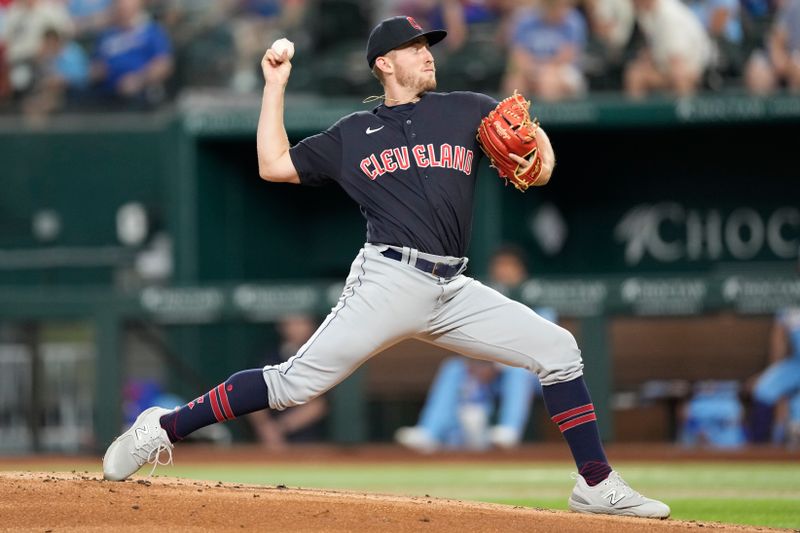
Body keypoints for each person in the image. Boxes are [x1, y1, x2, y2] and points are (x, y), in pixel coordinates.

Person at [102, 15, 670, 519]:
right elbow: (273, 164)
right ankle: (163, 427)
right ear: (385, 63)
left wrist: (541, 149)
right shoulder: (353, 133)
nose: (428, 54)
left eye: (429, 45)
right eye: (416, 47)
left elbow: (531, 151)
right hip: (389, 279)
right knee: (292, 384)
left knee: (560, 350)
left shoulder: (465, 108)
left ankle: (595, 483)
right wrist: (274, 86)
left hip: (454, 286)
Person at [395, 245, 550, 452]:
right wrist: (477, 363)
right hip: (487, 373)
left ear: (521, 272)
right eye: (499, 266)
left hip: (532, 375)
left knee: (517, 370)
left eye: (509, 267)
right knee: (454, 368)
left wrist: (496, 365)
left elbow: (540, 347)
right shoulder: (486, 300)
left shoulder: (538, 300)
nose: (503, 272)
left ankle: (508, 431)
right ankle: (430, 432)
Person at [247, 315, 328, 449]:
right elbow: (251, 395)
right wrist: (266, 428)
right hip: (270, 442)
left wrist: (280, 428)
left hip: (307, 441)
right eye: (291, 322)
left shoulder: (320, 357)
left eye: (300, 322)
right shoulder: (270, 357)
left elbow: (319, 406)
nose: (295, 328)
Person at [624, 0, 712, 98]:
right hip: (666, 65)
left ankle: (683, 111)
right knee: (635, 75)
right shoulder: (645, 14)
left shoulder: (669, 15)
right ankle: (639, 113)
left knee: (679, 76)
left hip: (698, 69)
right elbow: (652, 49)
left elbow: (677, 62)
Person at [749, 307, 800, 444]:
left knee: (796, 409)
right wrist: (772, 370)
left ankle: (788, 436)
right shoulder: (789, 306)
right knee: (763, 389)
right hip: (796, 364)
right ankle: (759, 448)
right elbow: (778, 341)